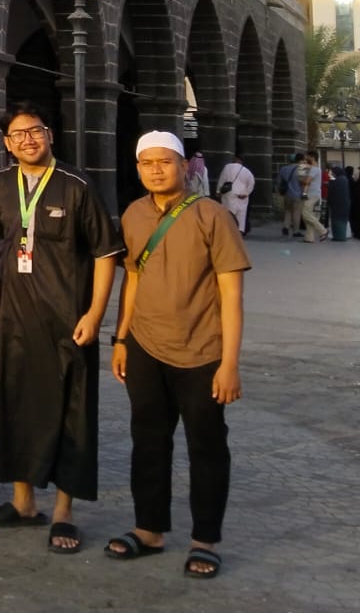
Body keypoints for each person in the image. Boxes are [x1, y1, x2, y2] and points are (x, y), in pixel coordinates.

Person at [0, 102, 122, 555]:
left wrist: (95, 314)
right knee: (17, 407)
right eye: (18, 135)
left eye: (35, 131)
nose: (28, 140)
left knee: (71, 412)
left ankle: (63, 511)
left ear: (50, 135)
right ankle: (23, 502)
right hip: (17, 321)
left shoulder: (77, 185)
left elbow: (105, 254)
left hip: (68, 321)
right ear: (7, 144)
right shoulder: (0, 186)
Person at [105, 131, 248, 580]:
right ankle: (148, 529)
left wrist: (229, 363)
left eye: (164, 162)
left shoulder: (213, 216)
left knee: (206, 445)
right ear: (138, 168)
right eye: (146, 163)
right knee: (148, 440)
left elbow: (231, 295)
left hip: (202, 350)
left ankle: (205, 539)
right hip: (145, 346)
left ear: (185, 167)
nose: (155, 170)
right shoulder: (134, 214)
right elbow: (132, 280)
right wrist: (121, 339)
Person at [214, 155, 255, 234]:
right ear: (242, 161)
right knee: (240, 215)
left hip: (228, 194)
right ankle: (239, 231)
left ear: (235, 159)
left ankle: (227, 230)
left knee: (228, 213)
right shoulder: (247, 171)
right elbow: (251, 183)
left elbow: (222, 179)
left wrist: (218, 191)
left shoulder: (227, 167)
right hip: (241, 195)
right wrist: (246, 193)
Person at [301, 153, 327, 243]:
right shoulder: (314, 169)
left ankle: (323, 230)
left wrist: (301, 178)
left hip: (312, 194)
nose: (306, 159)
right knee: (309, 214)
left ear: (312, 157)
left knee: (305, 213)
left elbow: (307, 181)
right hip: (312, 194)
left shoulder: (314, 169)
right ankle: (309, 237)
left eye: (307, 157)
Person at [279, 153, 305, 237]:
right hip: (297, 193)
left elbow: (279, 181)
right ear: (301, 160)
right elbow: (302, 182)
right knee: (297, 212)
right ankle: (296, 231)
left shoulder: (283, 168)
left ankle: (286, 227)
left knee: (288, 210)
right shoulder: (301, 169)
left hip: (287, 193)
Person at [327, 164, 351, 241]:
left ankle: (338, 237)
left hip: (337, 203)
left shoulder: (337, 180)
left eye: (332, 172)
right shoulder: (344, 179)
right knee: (343, 220)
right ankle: (341, 236)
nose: (331, 174)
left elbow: (332, 191)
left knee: (337, 220)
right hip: (344, 203)